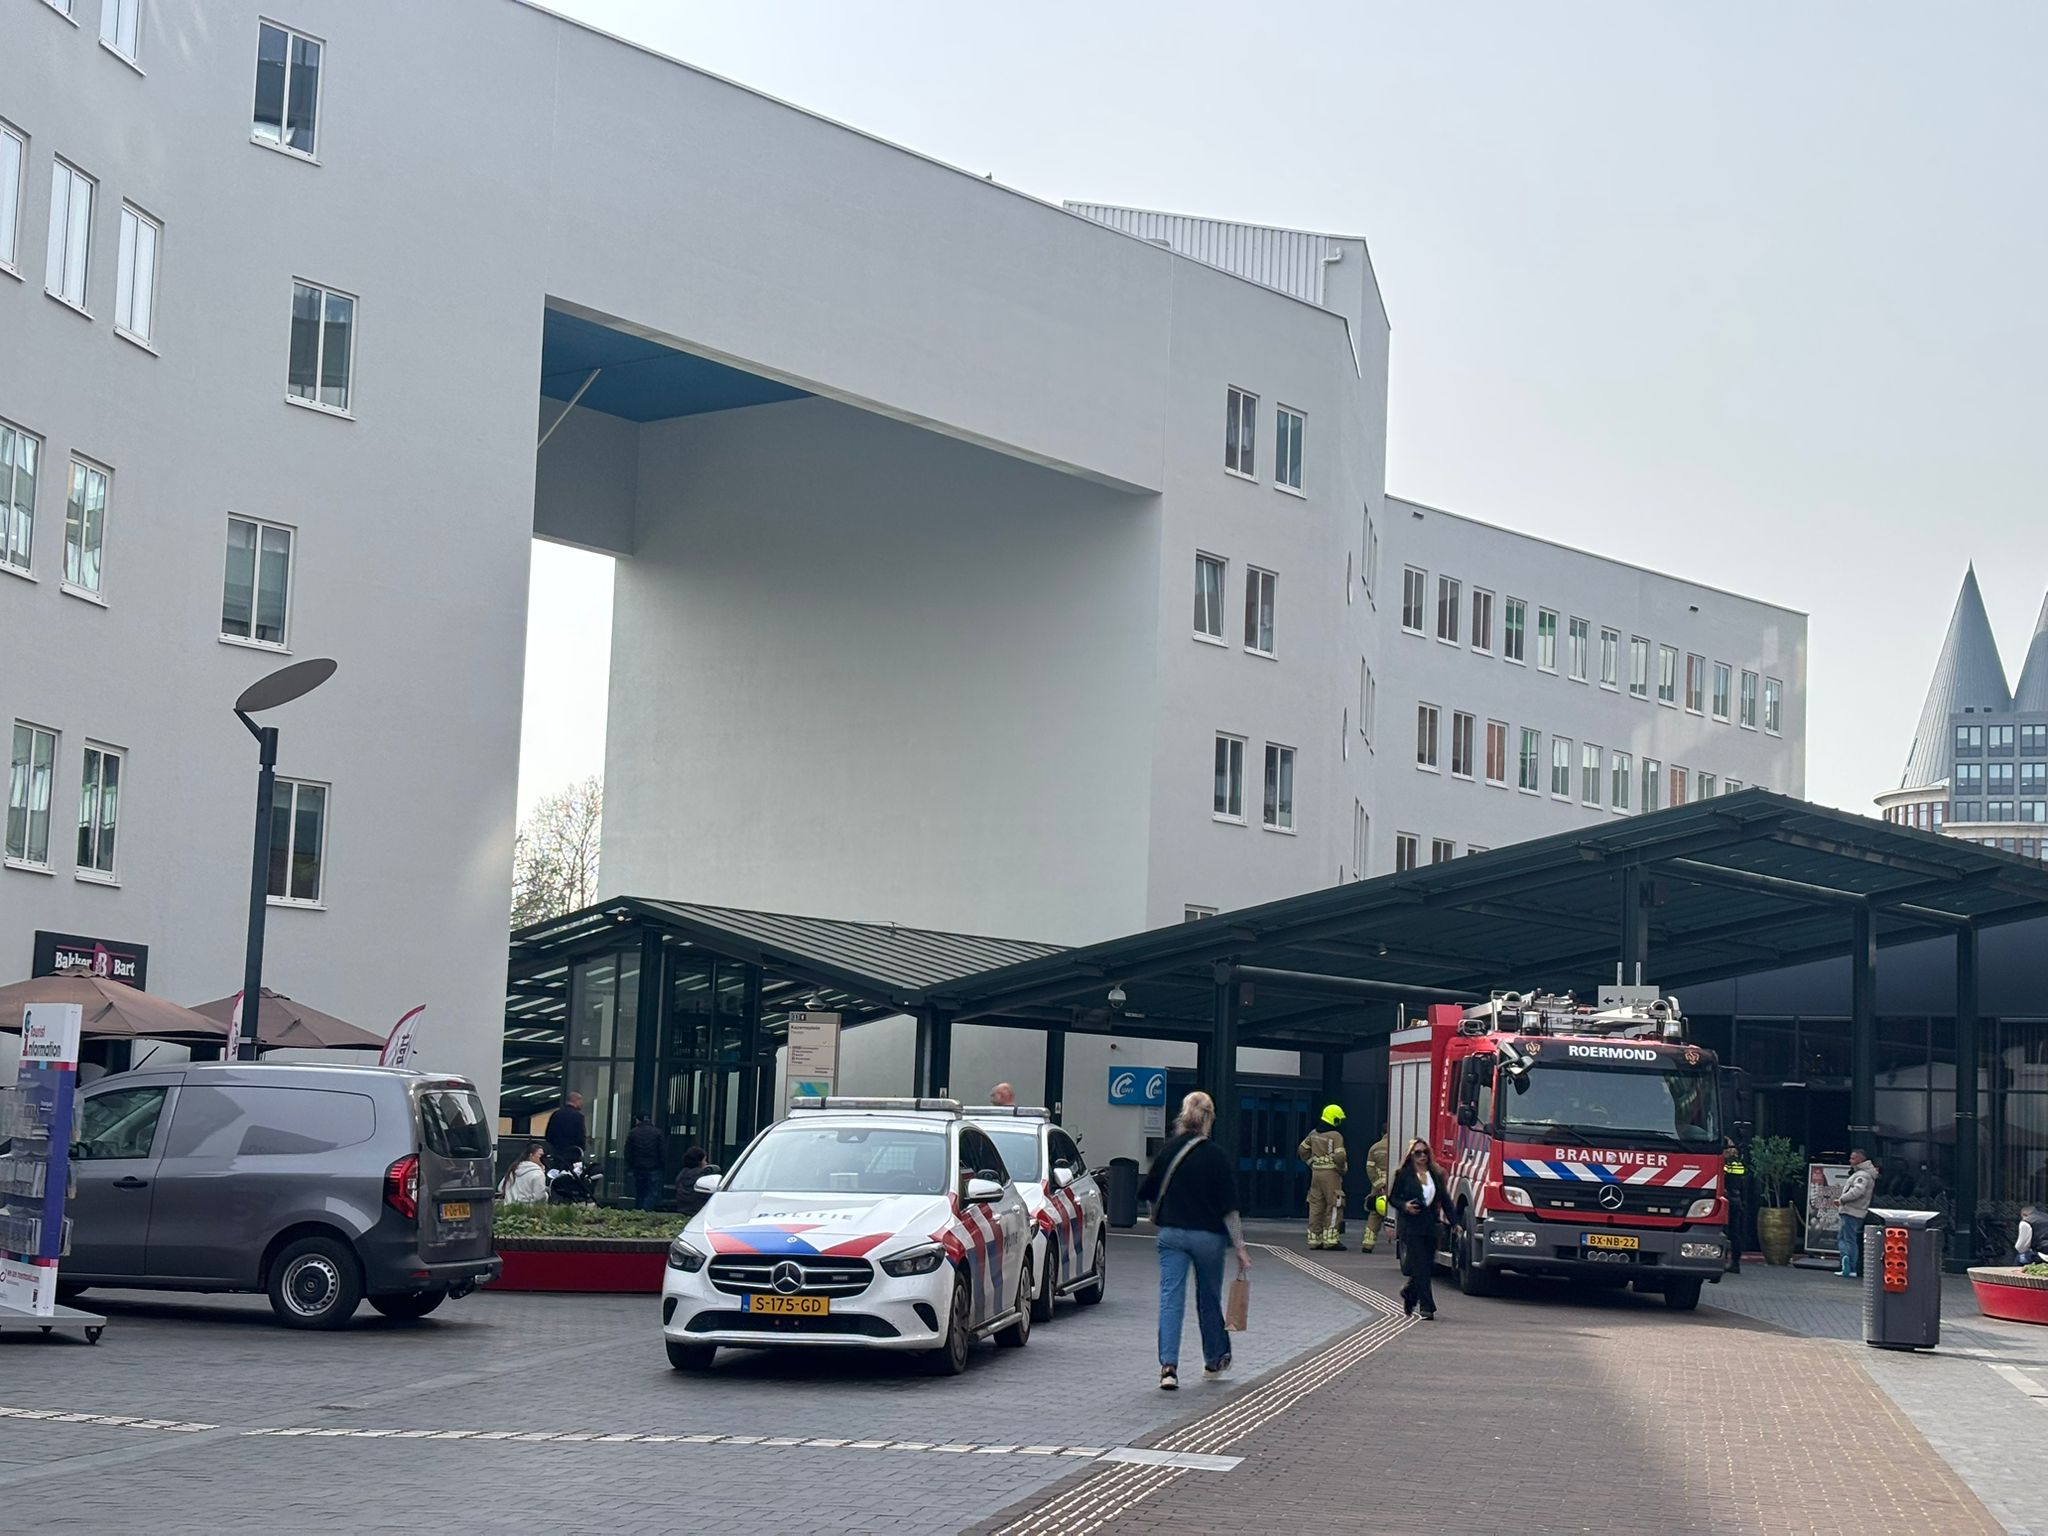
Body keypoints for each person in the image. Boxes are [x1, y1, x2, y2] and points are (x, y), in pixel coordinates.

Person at [1137, 1090, 1250, 1391]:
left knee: (1170, 1299)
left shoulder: (1168, 1150)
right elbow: (1230, 1208)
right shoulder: (1216, 1156)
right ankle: (1214, 1360)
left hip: (1172, 1234)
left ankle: (1168, 1368)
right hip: (1208, 1238)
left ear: (1183, 1115)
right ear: (1209, 1118)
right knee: (1208, 1297)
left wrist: (1157, 1217)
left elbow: (1149, 1192)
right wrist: (1240, 1246)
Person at [1389, 1137, 1453, 1319]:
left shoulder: (1435, 1174)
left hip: (1430, 1227)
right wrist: (1405, 1206)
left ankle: (1409, 1292)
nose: (1422, 1156)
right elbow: (1393, 1198)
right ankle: (1427, 1307)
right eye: (1418, 1153)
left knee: (1426, 1266)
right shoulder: (1403, 1174)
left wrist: (1455, 1224)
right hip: (1411, 1227)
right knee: (1421, 1268)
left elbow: (1446, 1201)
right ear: (1411, 1155)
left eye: (1425, 1152)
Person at [1298, 1105, 1349, 1251]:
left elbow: (1302, 1149)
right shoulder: (1335, 1135)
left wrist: (1311, 1163)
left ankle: (1314, 1239)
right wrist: (1341, 1168)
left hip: (1316, 1174)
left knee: (1315, 1205)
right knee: (1335, 1204)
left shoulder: (1314, 1133)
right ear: (1334, 1118)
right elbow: (1340, 1155)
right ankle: (1331, 1240)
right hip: (1331, 1175)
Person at [1837, 1148, 1878, 1278]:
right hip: (1858, 1211)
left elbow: (1857, 1191)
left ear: (1861, 1159)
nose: (1850, 1160)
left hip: (1851, 1211)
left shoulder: (1862, 1175)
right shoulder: (1865, 1174)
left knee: (1846, 1239)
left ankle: (1848, 1263)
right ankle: (1849, 1265)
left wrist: (1842, 1200)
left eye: (1853, 1158)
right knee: (1848, 1238)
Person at [624, 1112, 665, 1209]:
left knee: (640, 1192)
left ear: (638, 1120)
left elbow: (628, 1152)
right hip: (654, 1168)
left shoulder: (633, 1133)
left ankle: (639, 1212)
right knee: (651, 1193)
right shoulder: (657, 1133)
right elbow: (662, 1152)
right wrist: (662, 1165)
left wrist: (630, 1166)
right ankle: (646, 1211)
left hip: (638, 1168)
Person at [1721, 1137, 1748, 1275]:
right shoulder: (1739, 1163)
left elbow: (1722, 1178)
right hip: (1737, 1199)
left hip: (1726, 1199)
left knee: (1724, 1232)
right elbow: (1742, 1183)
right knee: (1735, 1233)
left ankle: (1722, 1260)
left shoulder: (1725, 1164)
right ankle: (1735, 1263)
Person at [1363, 1129, 1390, 1254]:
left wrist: (1379, 1184)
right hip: (1395, 1184)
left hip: (1378, 1185)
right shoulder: (1399, 1146)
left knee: (1375, 1214)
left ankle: (1368, 1244)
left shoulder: (1375, 1148)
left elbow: (1369, 1168)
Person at [675, 1146, 721, 1219]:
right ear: (699, 1162)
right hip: (698, 1210)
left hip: (682, 1209)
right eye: (704, 1160)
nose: (706, 1163)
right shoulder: (703, 1175)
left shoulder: (681, 1174)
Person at [545, 1091, 587, 1171]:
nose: (582, 1104)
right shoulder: (578, 1116)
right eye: (580, 1101)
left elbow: (548, 1135)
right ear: (576, 1100)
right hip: (572, 1154)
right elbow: (580, 1137)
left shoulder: (556, 1114)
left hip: (557, 1153)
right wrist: (581, 1148)